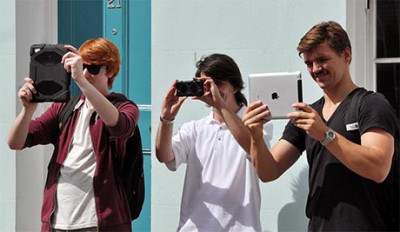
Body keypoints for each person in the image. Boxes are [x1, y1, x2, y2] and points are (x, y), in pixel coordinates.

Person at [242, 21, 399, 231]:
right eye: (309, 63)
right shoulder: (307, 115)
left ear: (346, 54)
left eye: (323, 59)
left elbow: (378, 168)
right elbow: (269, 171)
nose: (316, 69)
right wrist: (255, 135)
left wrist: (325, 135)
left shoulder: (371, 104)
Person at [8, 38, 139, 231]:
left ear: (110, 71)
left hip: (99, 223)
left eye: (93, 68)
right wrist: (27, 110)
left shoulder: (124, 107)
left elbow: (120, 126)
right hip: (57, 222)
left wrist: (81, 80)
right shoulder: (66, 107)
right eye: (82, 66)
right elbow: (16, 142)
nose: (85, 73)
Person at [155, 54, 273, 231]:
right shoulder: (195, 128)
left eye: (218, 83)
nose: (213, 90)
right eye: (206, 84)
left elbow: (254, 149)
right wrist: (166, 119)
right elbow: (164, 156)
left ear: (235, 86)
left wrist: (220, 105)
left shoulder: (256, 121)